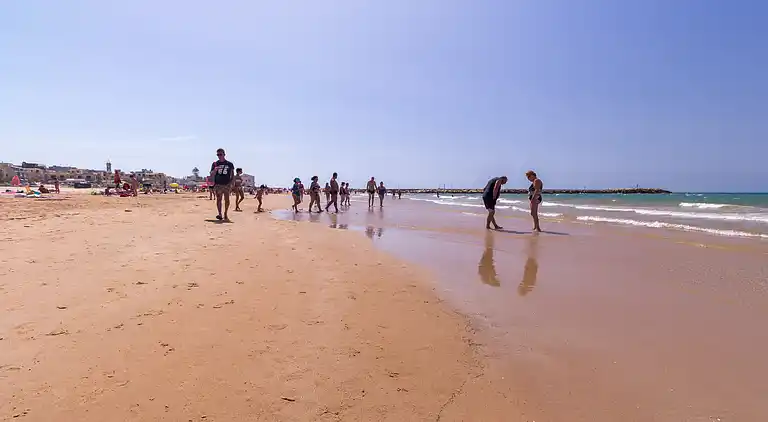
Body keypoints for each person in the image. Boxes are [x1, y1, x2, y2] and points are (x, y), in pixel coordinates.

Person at [210, 148, 236, 221]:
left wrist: (231, 183)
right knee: (219, 199)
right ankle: (220, 214)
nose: (219, 156)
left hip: (227, 184)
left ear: (224, 154)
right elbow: (211, 174)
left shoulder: (229, 164)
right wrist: (214, 170)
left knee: (227, 200)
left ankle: (225, 213)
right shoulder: (215, 164)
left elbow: (232, 175)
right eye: (218, 155)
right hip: (218, 184)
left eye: (220, 154)